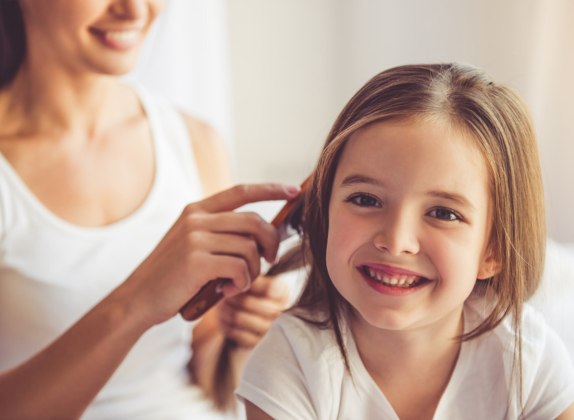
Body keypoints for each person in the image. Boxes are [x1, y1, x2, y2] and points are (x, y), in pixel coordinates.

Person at [0, 0, 298, 418]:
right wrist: (139, 300)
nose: (136, 10)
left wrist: (242, 335)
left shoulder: (193, 140)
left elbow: (203, 364)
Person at [237, 63, 574, 419]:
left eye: (444, 213)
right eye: (366, 199)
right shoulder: (290, 364)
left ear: (493, 250)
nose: (396, 241)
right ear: (324, 213)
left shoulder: (528, 361)